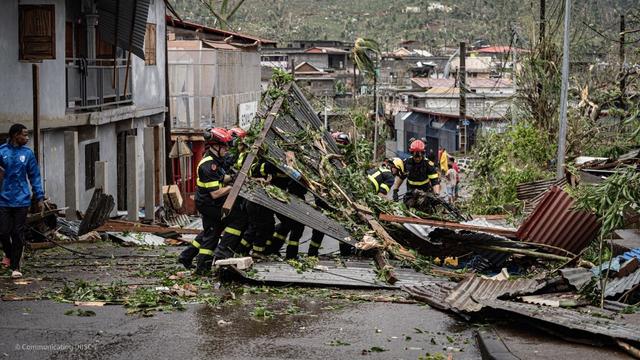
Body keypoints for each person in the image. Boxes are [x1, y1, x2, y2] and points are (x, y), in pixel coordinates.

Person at [178, 128, 234, 274]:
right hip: (208, 203)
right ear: (215, 146)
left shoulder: (215, 160)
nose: (227, 149)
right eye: (225, 146)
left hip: (208, 202)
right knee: (212, 233)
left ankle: (186, 256)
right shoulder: (208, 165)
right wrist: (232, 187)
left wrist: (233, 178)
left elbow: (220, 178)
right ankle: (202, 268)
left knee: (210, 230)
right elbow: (215, 193)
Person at [0, 124, 44, 279]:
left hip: (22, 199)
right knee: (3, 232)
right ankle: (10, 255)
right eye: (24, 135)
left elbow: (35, 176)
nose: (27, 138)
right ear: (15, 135)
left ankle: (15, 266)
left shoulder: (27, 153)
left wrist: (39, 196)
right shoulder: (1, 151)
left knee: (17, 233)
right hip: (3, 200)